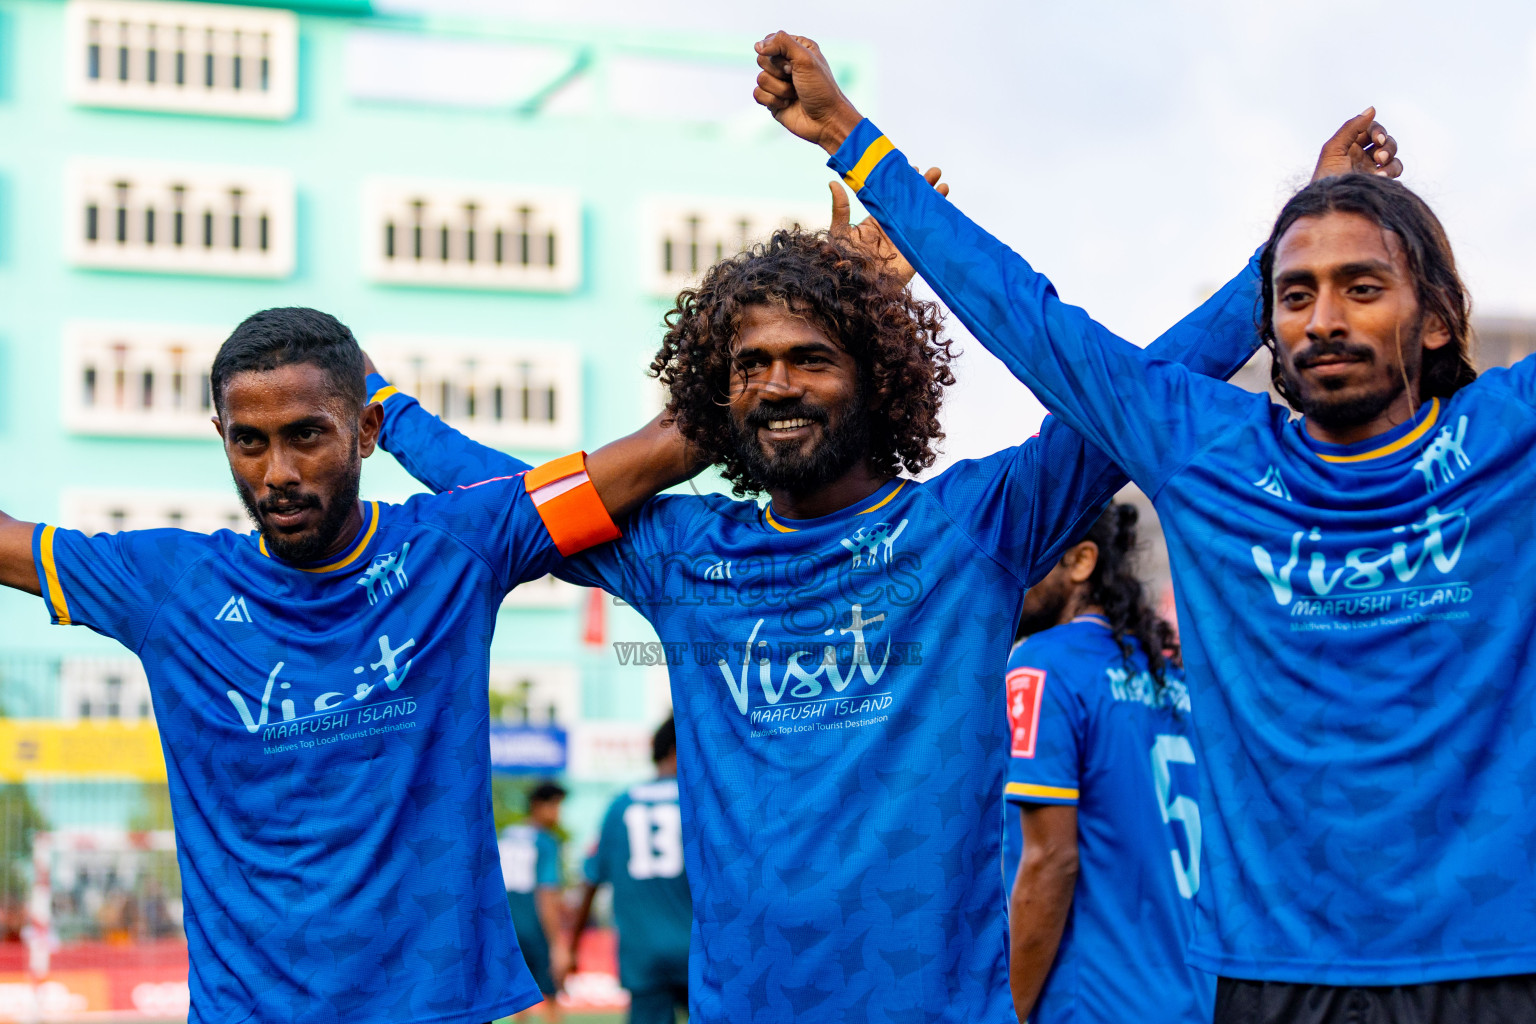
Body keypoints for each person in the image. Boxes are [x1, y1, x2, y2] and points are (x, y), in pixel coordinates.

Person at [359, 174, 1279, 1022]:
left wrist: (1272, 276)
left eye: (810, 358)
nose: (777, 385)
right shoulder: (683, 554)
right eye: (749, 365)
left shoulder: (971, 529)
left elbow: (1146, 391)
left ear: (877, 381)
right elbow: (502, 505)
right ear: (714, 397)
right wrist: (383, 407)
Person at [758, 32, 1536, 1024]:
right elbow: (1027, 317)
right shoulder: (1208, 450)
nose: (1323, 319)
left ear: (1433, 321)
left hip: (1493, 966)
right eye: (1296, 294)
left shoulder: (1507, 443)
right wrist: (848, 136)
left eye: (1362, 287)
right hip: (1271, 976)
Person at [0, 307, 696, 1024]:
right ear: (221, 437)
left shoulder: (455, 546)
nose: (278, 473)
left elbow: (665, 449)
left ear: (366, 430)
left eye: (306, 435)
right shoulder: (168, 585)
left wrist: (820, 289)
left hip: (436, 1009)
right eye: (249, 442)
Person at [1004, 503, 1207, 1024]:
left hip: (1093, 1000)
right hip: (1193, 997)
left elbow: (1051, 861)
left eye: (1030, 553)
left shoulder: (1041, 665)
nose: (1010, 567)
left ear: (1081, 561)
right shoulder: (1176, 679)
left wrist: (1009, 1012)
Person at [569, 717, 691, 1024]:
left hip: (643, 955)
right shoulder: (700, 803)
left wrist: (571, 947)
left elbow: (590, 882)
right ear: (678, 750)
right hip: (700, 950)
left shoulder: (619, 806)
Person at [502, 780, 570, 1022]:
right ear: (537, 806)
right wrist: (557, 944)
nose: (557, 813)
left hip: (508, 928)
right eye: (555, 806)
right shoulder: (545, 841)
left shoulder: (505, 835)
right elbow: (546, 895)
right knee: (551, 996)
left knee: (520, 998)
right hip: (536, 927)